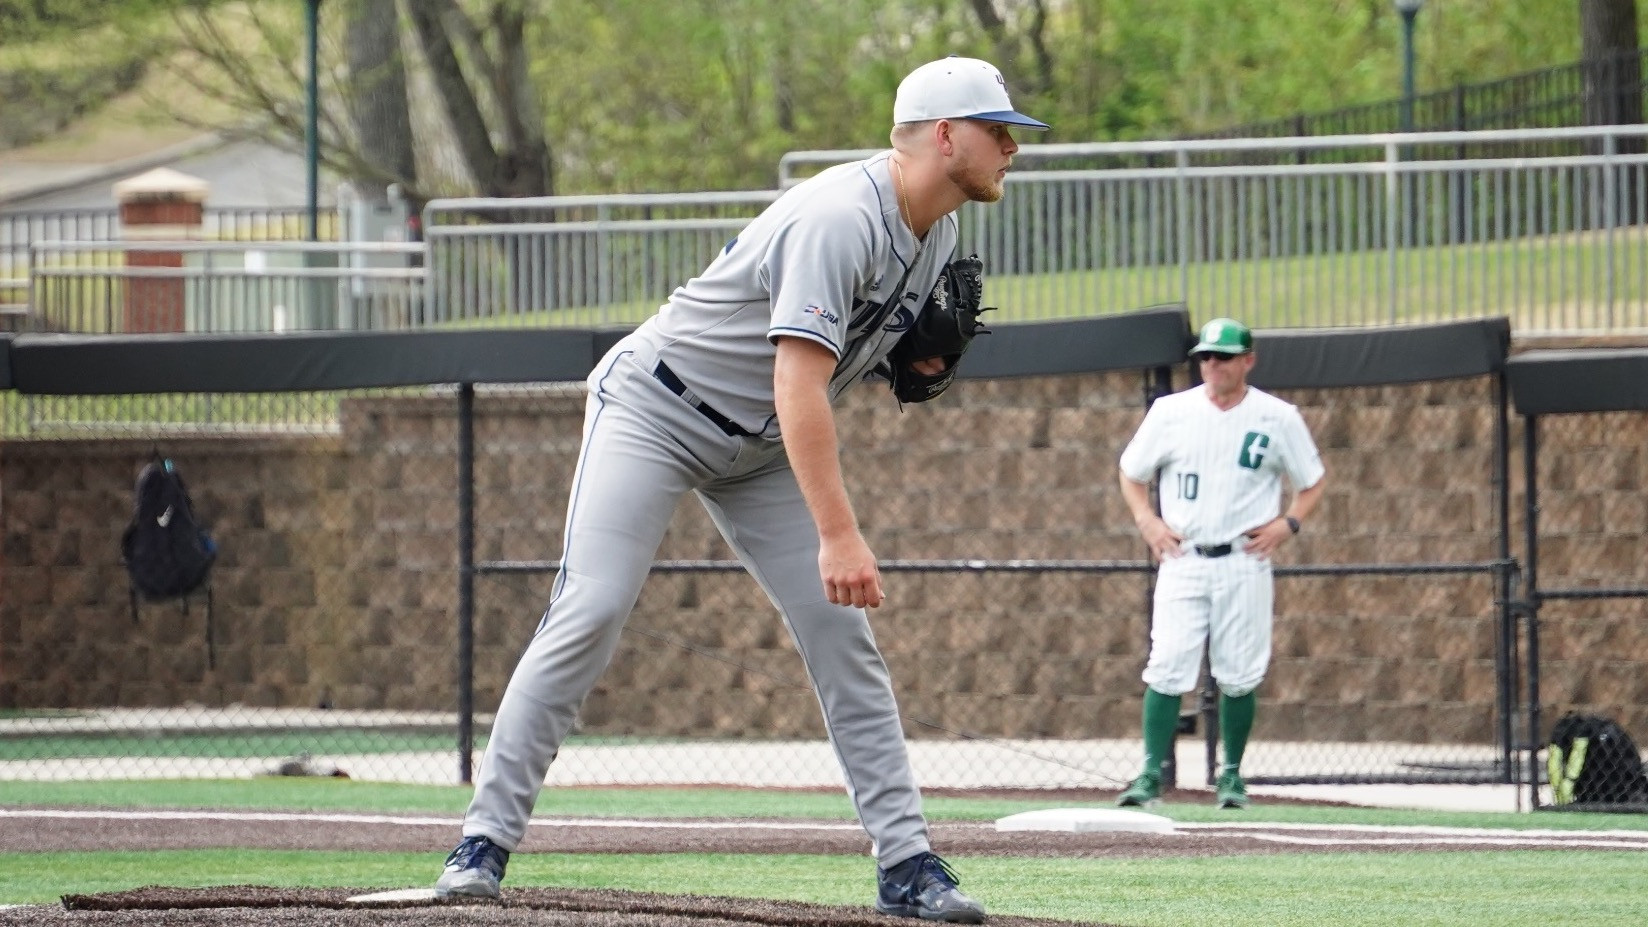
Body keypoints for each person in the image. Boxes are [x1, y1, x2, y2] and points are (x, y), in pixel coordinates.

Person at [433, 56, 1048, 922]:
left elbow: (829, 370)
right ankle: (482, 842)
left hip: (756, 450)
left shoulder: (937, 232)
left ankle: (908, 863)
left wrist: (916, 354)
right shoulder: (839, 216)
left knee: (845, 638)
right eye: (999, 129)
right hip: (655, 410)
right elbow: (798, 387)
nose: (1012, 147)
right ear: (945, 135)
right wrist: (838, 533)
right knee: (593, 607)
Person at [1114, 317, 1326, 810]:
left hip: (1242, 558)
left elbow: (1311, 480)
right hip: (1184, 555)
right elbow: (1131, 472)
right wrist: (1147, 520)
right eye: (1206, 356)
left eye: (1224, 356)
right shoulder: (1171, 411)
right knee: (1166, 664)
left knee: (1239, 671)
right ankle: (1150, 774)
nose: (1213, 365)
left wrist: (1288, 523)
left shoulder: (1277, 416)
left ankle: (1230, 775)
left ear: (1247, 360)